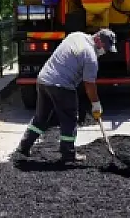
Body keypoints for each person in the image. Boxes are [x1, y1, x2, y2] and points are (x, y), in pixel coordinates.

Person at [15, 28, 117, 162]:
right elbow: (89, 85)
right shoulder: (90, 56)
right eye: (105, 47)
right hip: (62, 86)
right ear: (97, 39)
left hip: (43, 80)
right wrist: (96, 104)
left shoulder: (76, 36)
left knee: (41, 117)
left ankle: (24, 146)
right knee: (69, 118)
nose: (104, 51)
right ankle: (68, 153)